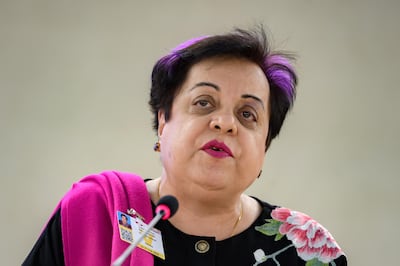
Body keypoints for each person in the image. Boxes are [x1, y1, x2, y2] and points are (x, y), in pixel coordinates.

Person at [23, 26, 347, 266]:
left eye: (248, 114)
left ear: (265, 146)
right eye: (204, 102)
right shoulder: (95, 211)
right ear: (163, 121)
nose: (225, 123)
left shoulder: (306, 249)